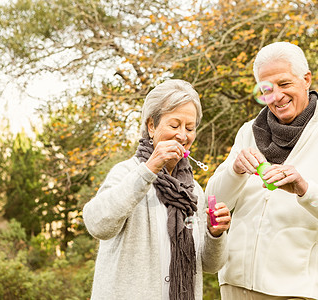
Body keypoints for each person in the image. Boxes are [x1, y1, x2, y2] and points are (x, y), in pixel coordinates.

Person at [205, 42, 318, 300]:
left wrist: (305, 190)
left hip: (297, 292)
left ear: (306, 79)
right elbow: (215, 202)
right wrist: (235, 170)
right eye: (267, 89)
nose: (276, 96)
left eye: (285, 84)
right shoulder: (247, 132)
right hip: (234, 287)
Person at [83, 79, 231, 300]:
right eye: (174, 125)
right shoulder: (126, 173)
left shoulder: (193, 191)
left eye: (189, 128)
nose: (183, 135)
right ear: (151, 126)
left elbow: (210, 265)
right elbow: (97, 224)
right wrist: (149, 168)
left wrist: (216, 233)